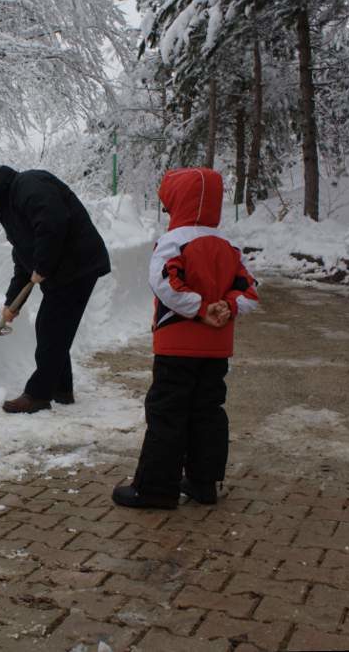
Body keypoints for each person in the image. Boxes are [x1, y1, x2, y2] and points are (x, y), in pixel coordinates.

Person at [112, 167, 259, 510]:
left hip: (177, 344)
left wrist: (199, 308)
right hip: (216, 348)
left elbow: (164, 282)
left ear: (179, 202)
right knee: (207, 410)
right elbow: (250, 292)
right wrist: (227, 306)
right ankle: (202, 482)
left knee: (167, 412)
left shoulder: (174, 241)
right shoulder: (229, 245)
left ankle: (154, 488)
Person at [0, 160, 111, 414]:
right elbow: (23, 258)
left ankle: (38, 394)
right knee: (53, 327)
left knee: (51, 326)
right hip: (64, 269)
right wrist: (13, 303)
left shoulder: (29, 185)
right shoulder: (10, 205)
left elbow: (52, 224)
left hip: (77, 265)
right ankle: (61, 389)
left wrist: (43, 266)